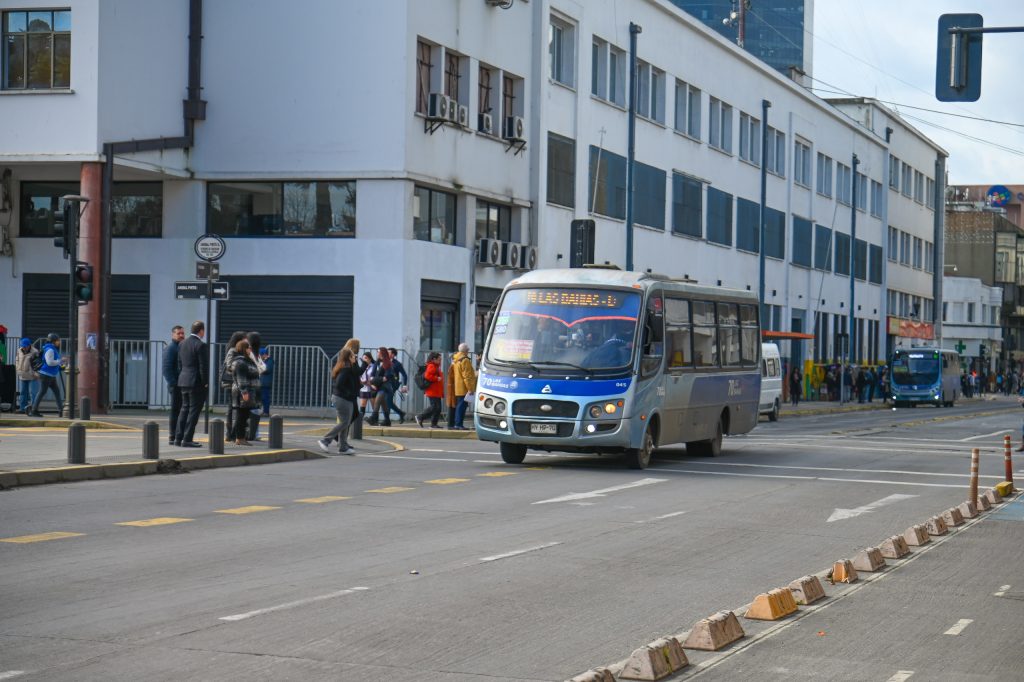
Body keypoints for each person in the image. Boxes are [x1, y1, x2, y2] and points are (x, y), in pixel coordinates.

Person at [319, 347, 360, 454]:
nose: (355, 357)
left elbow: (355, 375)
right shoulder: (346, 369)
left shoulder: (346, 366)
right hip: (343, 399)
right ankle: (325, 440)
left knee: (345, 422)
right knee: (345, 422)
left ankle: (343, 447)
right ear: (349, 357)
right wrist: (348, 393)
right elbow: (339, 384)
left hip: (343, 398)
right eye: (353, 356)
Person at [174, 320, 209, 447]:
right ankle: (187, 439)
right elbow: (203, 367)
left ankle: (178, 438)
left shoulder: (182, 344)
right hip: (196, 382)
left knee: (184, 409)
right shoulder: (201, 345)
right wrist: (205, 383)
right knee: (194, 411)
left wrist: (182, 376)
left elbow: (179, 363)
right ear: (201, 331)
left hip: (183, 380)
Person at [229, 339, 260, 446]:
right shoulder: (240, 362)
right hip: (242, 392)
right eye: (248, 347)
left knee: (243, 415)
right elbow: (241, 379)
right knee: (241, 415)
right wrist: (244, 392)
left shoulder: (245, 360)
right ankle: (239, 437)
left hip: (246, 391)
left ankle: (239, 437)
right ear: (244, 349)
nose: (250, 349)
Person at [221, 331, 248, 437]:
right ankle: (230, 433)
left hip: (237, 383)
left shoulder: (242, 350)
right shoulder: (232, 350)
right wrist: (239, 368)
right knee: (232, 408)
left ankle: (234, 432)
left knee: (235, 407)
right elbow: (229, 365)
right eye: (244, 338)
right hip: (232, 382)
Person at [30, 333, 64, 417]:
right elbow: (49, 362)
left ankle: (61, 411)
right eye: (57, 341)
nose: (59, 342)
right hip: (46, 375)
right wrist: (60, 361)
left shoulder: (51, 349)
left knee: (56, 392)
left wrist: (60, 366)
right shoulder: (50, 350)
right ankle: (34, 411)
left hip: (51, 375)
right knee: (42, 392)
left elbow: (52, 362)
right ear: (53, 341)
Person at [162, 325, 185, 444]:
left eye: (182, 333)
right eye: (179, 333)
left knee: (181, 409)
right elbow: (166, 368)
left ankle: (178, 434)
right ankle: (172, 435)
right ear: (173, 335)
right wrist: (174, 383)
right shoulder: (171, 348)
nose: (181, 335)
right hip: (176, 385)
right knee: (175, 410)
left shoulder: (180, 347)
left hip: (181, 384)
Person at [366, 346, 396, 426]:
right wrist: (373, 382)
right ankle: (387, 420)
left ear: (382, 353)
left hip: (385, 387)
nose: (377, 353)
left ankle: (373, 417)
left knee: (378, 400)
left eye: (378, 352)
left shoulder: (388, 363)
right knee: (383, 404)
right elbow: (372, 375)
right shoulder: (377, 362)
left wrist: (374, 380)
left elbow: (386, 378)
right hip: (378, 386)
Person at [414, 352, 444, 428]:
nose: (440, 361)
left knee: (438, 408)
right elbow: (427, 376)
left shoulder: (436, 366)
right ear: (434, 359)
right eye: (439, 359)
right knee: (434, 407)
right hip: (433, 390)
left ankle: (434, 424)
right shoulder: (432, 366)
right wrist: (436, 378)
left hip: (436, 391)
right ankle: (420, 417)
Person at [452, 342, 477, 430]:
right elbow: (467, 376)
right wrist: (470, 389)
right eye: (468, 349)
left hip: (458, 387)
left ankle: (457, 423)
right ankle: (459, 424)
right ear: (465, 351)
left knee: (460, 406)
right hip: (464, 388)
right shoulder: (465, 360)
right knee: (462, 407)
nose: (468, 351)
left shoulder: (456, 359)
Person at [15, 338, 39, 415]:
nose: (24, 348)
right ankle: (22, 408)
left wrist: (35, 373)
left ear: (29, 345)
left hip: (32, 375)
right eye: (23, 346)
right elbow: (17, 360)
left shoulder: (35, 352)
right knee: (23, 392)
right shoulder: (19, 350)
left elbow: (37, 364)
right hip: (22, 374)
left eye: (26, 346)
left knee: (33, 393)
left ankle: (33, 409)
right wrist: (17, 368)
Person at [386, 347, 408, 424]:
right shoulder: (385, 362)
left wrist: (404, 386)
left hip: (393, 385)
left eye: (388, 353)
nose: (387, 354)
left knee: (387, 401)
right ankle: (389, 419)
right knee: (387, 401)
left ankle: (389, 418)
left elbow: (404, 375)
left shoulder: (397, 364)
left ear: (393, 354)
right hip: (385, 384)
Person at [257, 346, 273, 434]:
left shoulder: (269, 360)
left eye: (260, 355)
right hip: (261, 382)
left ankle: (266, 411)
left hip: (265, 383)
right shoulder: (263, 361)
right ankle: (262, 410)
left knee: (265, 397)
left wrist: (260, 367)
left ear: (264, 354)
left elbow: (267, 369)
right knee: (261, 397)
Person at [358, 351, 375, 419]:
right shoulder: (362, 366)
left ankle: (374, 419)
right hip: (364, 387)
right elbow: (359, 375)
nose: (364, 360)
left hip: (371, 387)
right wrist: (361, 381)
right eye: (363, 358)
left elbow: (375, 377)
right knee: (362, 404)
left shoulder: (374, 366)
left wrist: (369, 382)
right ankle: (360, 419)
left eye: (366, 358)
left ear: (370, 359)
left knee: (374, 405)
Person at [445, 353, 458, 429]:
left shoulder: (453, 366)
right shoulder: (453, 366)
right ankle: (450, 424)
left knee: (452, 406)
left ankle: (451, 424)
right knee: (452, 406)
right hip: (452, 387)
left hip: (452, 387)